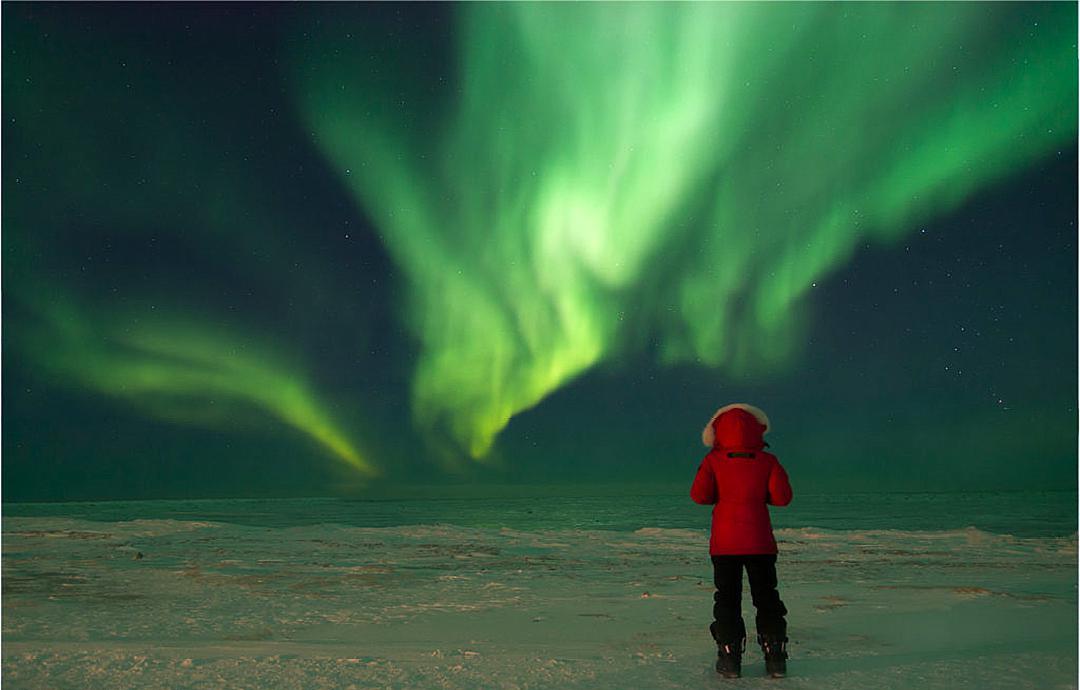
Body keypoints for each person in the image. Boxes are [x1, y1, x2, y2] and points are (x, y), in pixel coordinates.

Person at [690, 403, 792, 678]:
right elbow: (783, 498)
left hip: (725, 544)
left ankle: (729, 659)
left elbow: (699, 496)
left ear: (717, 432)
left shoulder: (713, 461)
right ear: (757, 430)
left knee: (727, 600)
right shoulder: (768, 462)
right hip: (760, 542)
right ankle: (775, 658)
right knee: (767, 598)